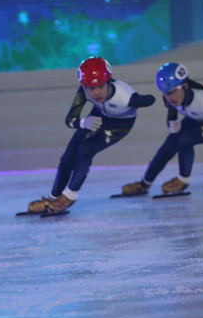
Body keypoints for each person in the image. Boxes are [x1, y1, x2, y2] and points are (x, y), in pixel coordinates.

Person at [27, 56, 156, 214]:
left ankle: (70, 196)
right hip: (97, 117)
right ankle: (52, 197)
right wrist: (82, 123)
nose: (96, 93)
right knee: (68, 156)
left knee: (86, 150)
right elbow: (69, 120)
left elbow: (151, 99)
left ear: (108, 81)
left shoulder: (125, 96)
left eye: (101, 86)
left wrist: (139, 101)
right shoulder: (83, 91)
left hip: (120, 124)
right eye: (90, 88)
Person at [121, 63, 203, 196]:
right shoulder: (170, 97)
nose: (170, 97)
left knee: (185, 139)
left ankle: (183, 180)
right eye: (166, 93)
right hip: (196, 119)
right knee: (169, 145)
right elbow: (172, 110)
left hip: (201, 118)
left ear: (185, 86)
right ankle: (145, 184)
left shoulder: (202, 100)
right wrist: (171, 121)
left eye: (172, 92)